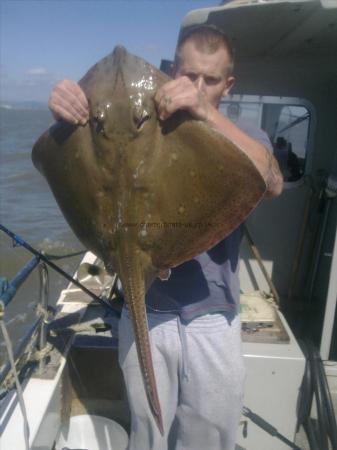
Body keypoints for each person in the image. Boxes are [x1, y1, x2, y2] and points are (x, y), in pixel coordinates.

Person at [48, 26, 283, 450]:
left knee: (210, 434)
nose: (195, 88)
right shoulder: (145, 115)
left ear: (227, 86)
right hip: (149, 312)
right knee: (148, 432)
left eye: (209, 80)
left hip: (214, 317)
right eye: (188, 75)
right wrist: (67, 116)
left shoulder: (239, 133)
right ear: (172, 70)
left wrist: (205, 115)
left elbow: (271, 181)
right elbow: (70, 157)